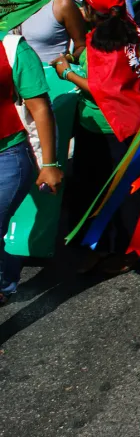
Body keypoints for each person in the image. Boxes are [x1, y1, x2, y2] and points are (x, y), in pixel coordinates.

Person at [52, 0, 140, 274]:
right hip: (125, 127)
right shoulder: (134, 33)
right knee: (110, 192)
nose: (81, 11)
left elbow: (101, 89)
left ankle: (121, 252)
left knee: (108, 193)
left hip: (107, 131)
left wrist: (66, 72)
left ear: (95, 11)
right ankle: (109, 248)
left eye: (85, 5)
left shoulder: (103, 41)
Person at [0, 33, 60, 304]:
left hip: (8, 157)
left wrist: (49, 164)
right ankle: (7, 276)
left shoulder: (12, 48)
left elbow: (40, 108)